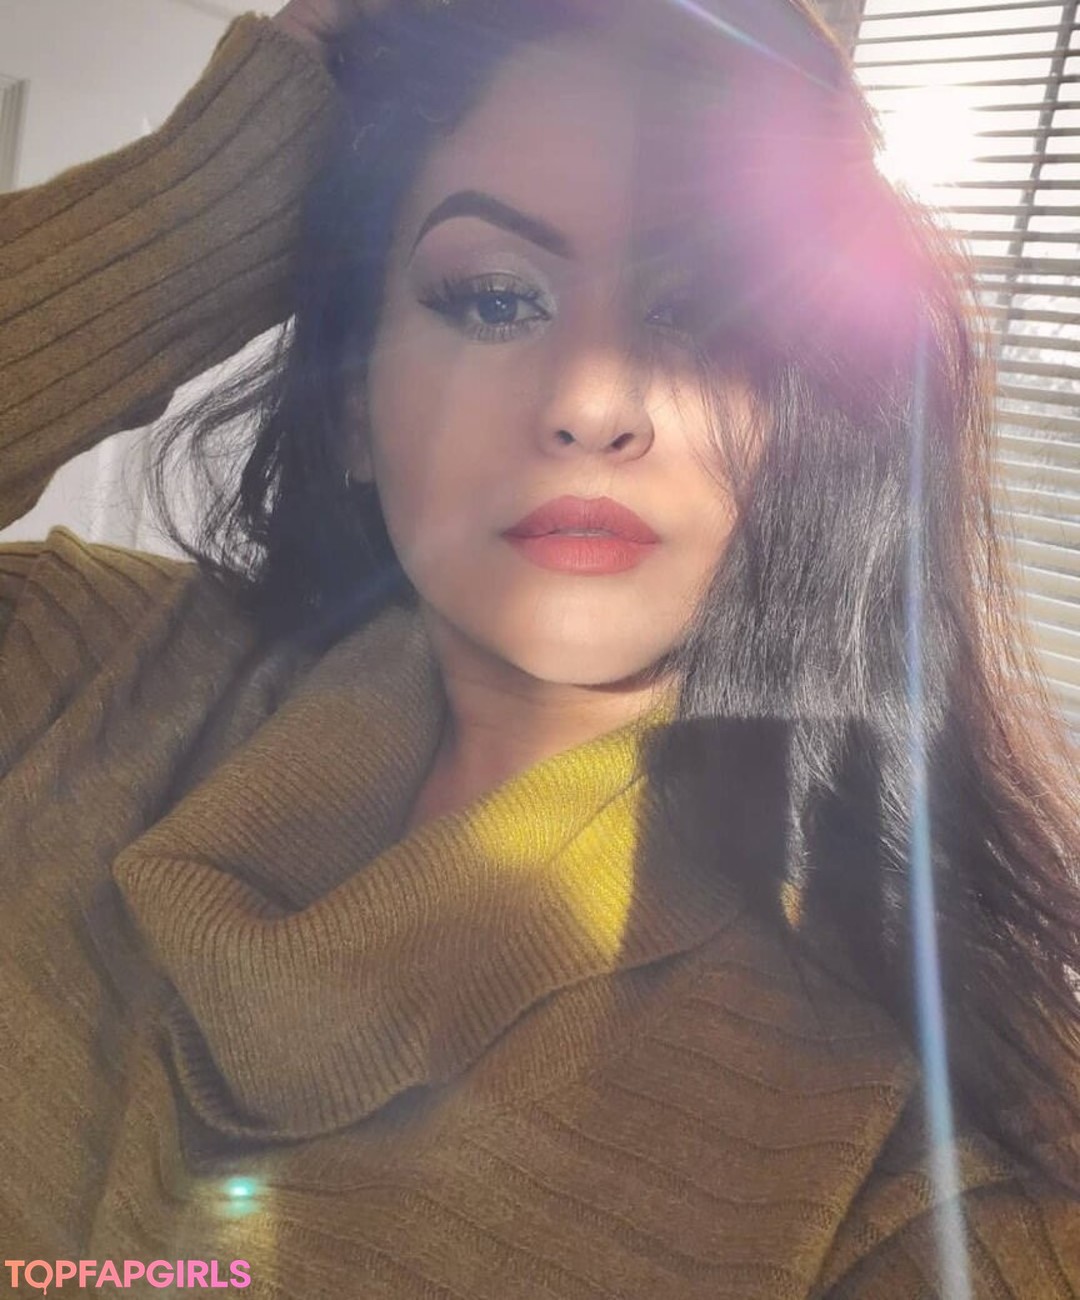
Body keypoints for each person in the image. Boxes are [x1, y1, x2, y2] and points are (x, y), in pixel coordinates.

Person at [0, 0, 1078, 1295]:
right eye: (496, 299)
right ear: (350, 408)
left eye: (702, 311)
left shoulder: (946, 1163)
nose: (590, 403)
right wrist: (211, 184)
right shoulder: (75, 668)